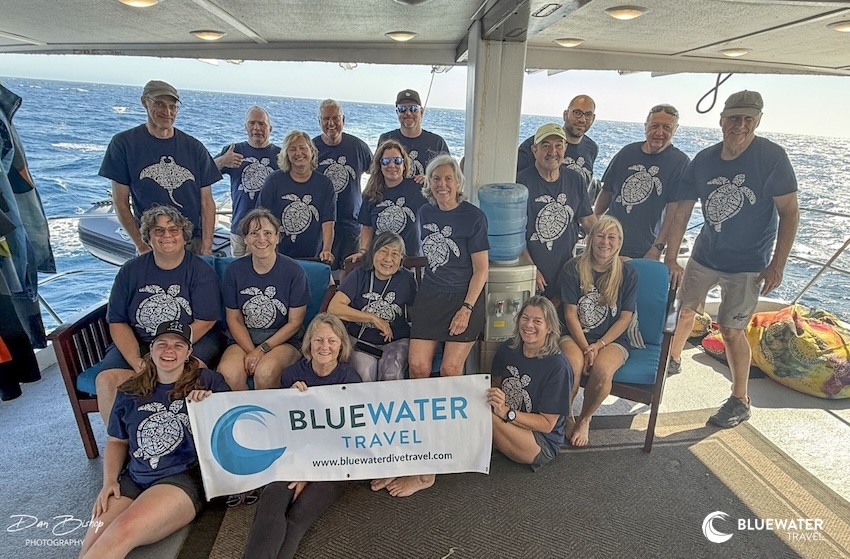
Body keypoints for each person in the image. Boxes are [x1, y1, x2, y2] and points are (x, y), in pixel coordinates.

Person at [664, 90, 799, 428]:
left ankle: (740, 399)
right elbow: (682, 211)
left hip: (749, 262)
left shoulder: (771, 158)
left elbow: (790, 212)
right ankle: (673, 358)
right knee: (684, 309)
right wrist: (670, 257)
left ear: (757, 121)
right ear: (721, 120)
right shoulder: (705, 159)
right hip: (706, 253)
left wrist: (777, 265)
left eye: (747, 119)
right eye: (733, 118)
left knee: (731, 329)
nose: (739, 125)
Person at [374, 154, 489, 498]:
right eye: (436, 178)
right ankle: (415, 443)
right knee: (418, 367)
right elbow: (424, 256)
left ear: (458, 183)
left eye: (448, 178)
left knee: (450, 371)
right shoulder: (424, 213)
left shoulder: (474, 216)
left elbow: (481, 269)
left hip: (464, 301)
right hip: (430, 298)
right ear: (428, 183)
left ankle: (433, 464)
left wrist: (466, 308)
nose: (442, 184)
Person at [78, 320, 230, 559]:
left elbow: (231, 431)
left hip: (181, 477)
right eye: (163, 344)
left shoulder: (209, 382)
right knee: (92, 540)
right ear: (151, 348)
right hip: (135, 475)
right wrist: (108, 481)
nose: (170, 350)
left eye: (178, 345)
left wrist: (211, 404)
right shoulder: (129, 390)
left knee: (122, 531)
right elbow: (117, 441)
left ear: (189, 351)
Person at [243, 313, 360, 559]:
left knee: (296, 520)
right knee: (269, 509)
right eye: (318, 340)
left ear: (341, 345)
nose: (324, 347)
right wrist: (291, 399)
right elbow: (282, 429)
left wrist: (310, 473)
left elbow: (349, 437)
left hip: (333, 463)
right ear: (309, 344)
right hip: (293, 456)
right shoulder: (292, 375)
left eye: (331, 340)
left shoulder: (350, 379)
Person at [95, 205, 223, 425]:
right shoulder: (129, 271)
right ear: (148, 237)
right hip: (140, 340)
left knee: (189, 374)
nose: (167, 236)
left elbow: (206, 320)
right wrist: (137, 362)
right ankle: (121, 445)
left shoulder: (200, 271)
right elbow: (117, 320)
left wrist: (168, 353)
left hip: (192, 339)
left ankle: (186, 441)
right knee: (107, 380)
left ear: (184, 236)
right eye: (158, 230)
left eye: (173, 230)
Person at [100, 80, 221, 256]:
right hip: (152, 243)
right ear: (144, 102)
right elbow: (120, 201)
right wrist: (141, 245)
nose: (167, 112)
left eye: (173, 107)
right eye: (160, 105)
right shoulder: (124, 144)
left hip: (190, 241)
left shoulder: (194, 148)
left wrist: (206, 247)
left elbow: (207, 202)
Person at [559, 216, 637, 447]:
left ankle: (585, 418)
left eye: (612, 237)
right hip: (575, 335)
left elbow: (625, 317)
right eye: (600, 236)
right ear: (591, 239)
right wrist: (585, 348)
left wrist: (598, 346)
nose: (605, 242)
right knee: (572, 366)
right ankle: (566, 415)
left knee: (603, 372)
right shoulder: (573, 268)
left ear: (619, 242)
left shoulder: (628, 273)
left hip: (611, 339)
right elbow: (570, 314)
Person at [217, 209, 309, 390]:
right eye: (254, 233)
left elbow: (295, 322)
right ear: (245, 239)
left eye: (267, 233)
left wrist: (262, 350)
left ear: (276, 237)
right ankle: (243, 417)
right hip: (243, 339)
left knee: (265, 372)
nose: (261, 239)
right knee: (228, 372)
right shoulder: (233, 271)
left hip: (283, 340)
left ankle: (271, 418)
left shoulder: (294, 272)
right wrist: (251, 351)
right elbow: (233, 318)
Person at [594, 103, 690, 261]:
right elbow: (607, 192)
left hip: (645, 248)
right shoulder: (627, 152)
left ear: (676, 129)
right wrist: (593, 225)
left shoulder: (680, 162)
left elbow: (673, 212)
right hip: (610, 242)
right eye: (654, 126)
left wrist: (658, 248)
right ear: (646, 126)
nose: (659, 132)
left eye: (667, 127)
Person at [487, 296, 572, 471]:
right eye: (525, 318)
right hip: (508, 419)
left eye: (537, 321)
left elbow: (547, 424)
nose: (529, 325)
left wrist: (507, 413)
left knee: (485, 418)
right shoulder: (508, 348)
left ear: (549, 327)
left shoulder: (558, 366)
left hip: (540, 441)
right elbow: (495, 383)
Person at [517, 123, 595, 299]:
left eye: (558, 145)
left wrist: (607, 249)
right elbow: (514, 234)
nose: (553, 151)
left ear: (565, 149)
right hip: (531, 272)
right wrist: (531, 269)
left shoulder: (575, 180)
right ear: (534, 150)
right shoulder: (521, 183)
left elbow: (588, 220)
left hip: (565, 271)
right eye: (546, 146)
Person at [329, 232, 417, 382]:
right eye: (383, 251)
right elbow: (334, 308)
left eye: (395, 254)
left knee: (392, 372)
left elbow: (415, 312)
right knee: (363, 374)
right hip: (360, 341)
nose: (388, 259)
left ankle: (391, 406)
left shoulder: (407, 278)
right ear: (373, 252)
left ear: (401, 258)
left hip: (396, 341)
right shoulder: (359, 274)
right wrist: (373, 318)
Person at [257, 130, 335, 262]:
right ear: (286, 154)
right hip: (277, 254)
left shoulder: (324, 183)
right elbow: (262, 217)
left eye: (303, 148)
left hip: (312, 256)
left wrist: (326, 249)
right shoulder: (274, 180)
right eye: (292, 149)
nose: (298, 153)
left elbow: (328, 222)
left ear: (312, 151)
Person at [313, 99, 373, 269]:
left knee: (350, 274)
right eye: (326, 119)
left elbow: (378, 174)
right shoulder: (311, 148)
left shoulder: (358, 147)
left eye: (335, 118)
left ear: (343, 120)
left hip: (351, 226)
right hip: (320, 227)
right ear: (319, 122)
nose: (331, 123)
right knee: (322, 274)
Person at [214, 106, 280, 257]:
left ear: (270, 128)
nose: (257, 128)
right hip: (239, 229)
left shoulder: (280, 155)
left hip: (268, 232)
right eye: (252, 123)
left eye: (262, 123)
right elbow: (205, 173)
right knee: (239, 274)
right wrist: (223, 161)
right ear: (245, 126)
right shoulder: (233, 150)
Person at [349, 140, 428, 262]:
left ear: (404, 164)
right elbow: (367, 227)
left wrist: (431, 180)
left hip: (410, 260)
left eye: (397, 161)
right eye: (386, 161)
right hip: (381, 260)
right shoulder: (371, 193)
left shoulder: (417, 187)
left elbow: (443, 200)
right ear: (379, 166)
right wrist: (363, 251)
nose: (391, 165)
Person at [516, 94, 599, 188]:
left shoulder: (592, 148)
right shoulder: (535, 145)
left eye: (588, 115)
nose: (582, 119)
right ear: (565, 115)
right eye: (577, 113)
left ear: (593, 119)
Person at [377, 89, 450, 183]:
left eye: (413, 108)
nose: (408, 113)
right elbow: (376, 173)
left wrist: (430, 179)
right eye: (402, 109)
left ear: (421, 112)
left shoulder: (437, 142)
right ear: (397, 112)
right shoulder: (386, 139)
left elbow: (450, 176)